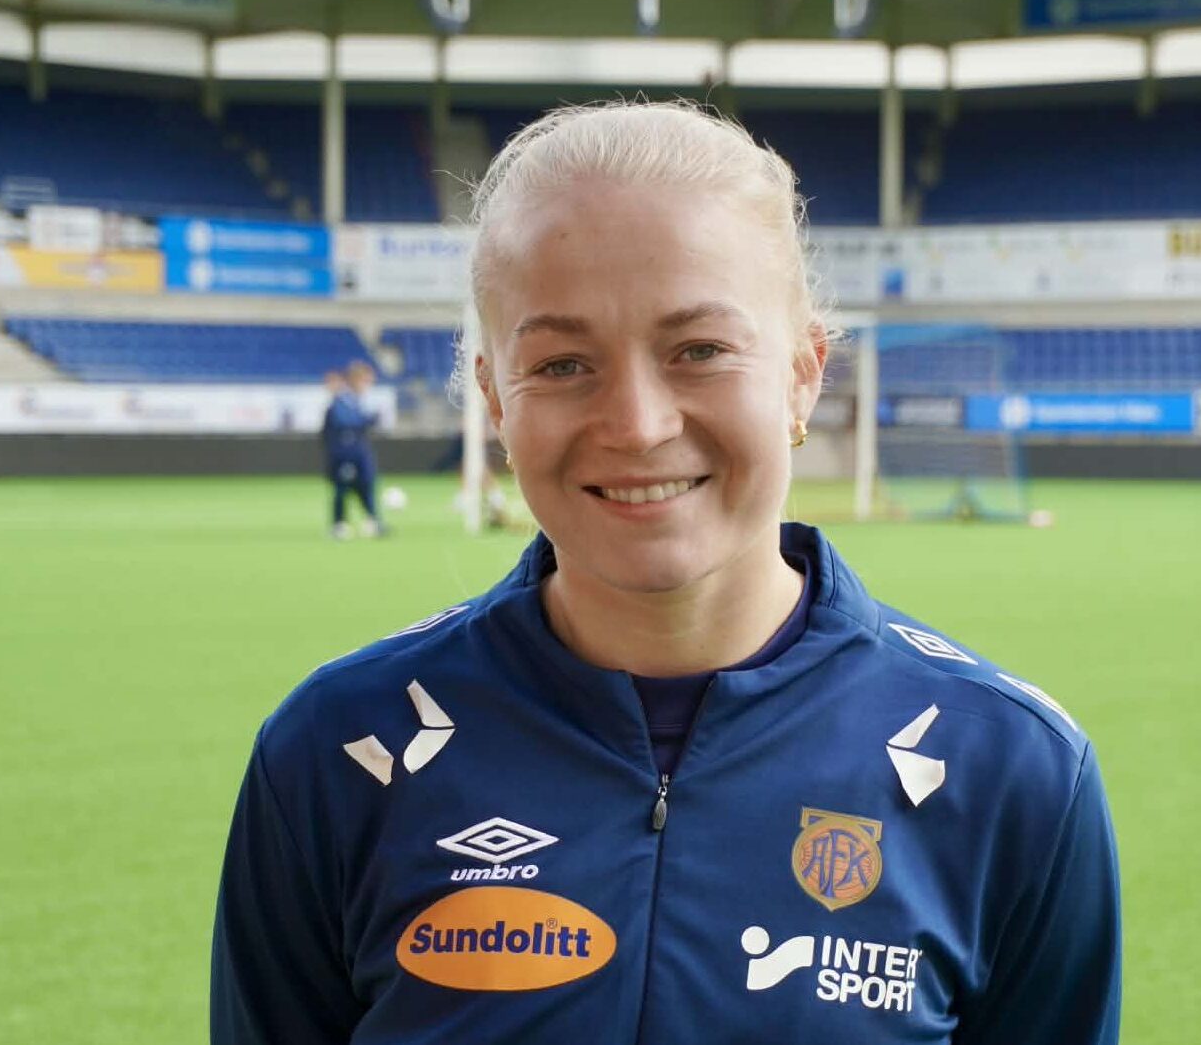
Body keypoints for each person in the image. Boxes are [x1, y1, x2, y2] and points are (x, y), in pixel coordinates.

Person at [213, 101, 1120, 1044]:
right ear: (493, 398)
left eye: (700, 351)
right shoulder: (336, 750)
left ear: (804, 373)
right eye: (562, 364)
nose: (638, 425)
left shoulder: (1012, 770)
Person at [321, 361, 385, 539]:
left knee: (366, 486)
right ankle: (339, 524)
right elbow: (345, 423)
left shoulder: (355, 400)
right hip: (345, 453)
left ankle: (373, 521)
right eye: (366, 380)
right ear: (355, 380)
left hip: (359, 452)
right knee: (342, 488)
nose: (368, 385)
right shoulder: (342, 400)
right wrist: (369, 420)